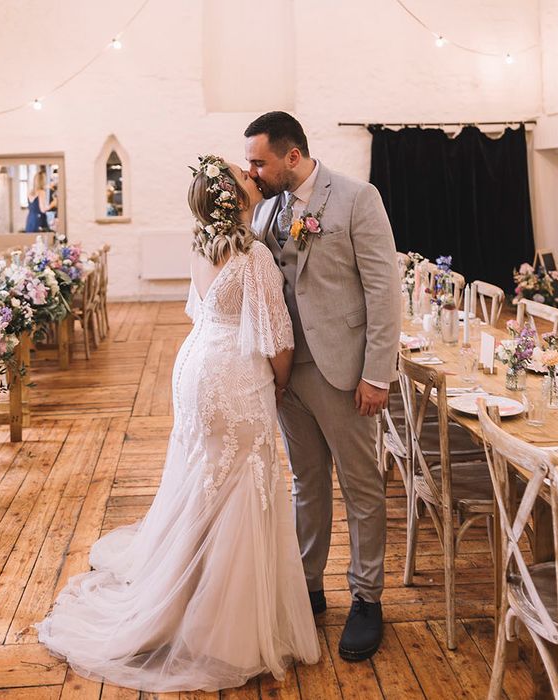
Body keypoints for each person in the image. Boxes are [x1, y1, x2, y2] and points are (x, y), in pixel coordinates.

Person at [36, 155, 320, 692]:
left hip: (195, 366)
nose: (250, 176)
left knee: (204, 480)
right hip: (234, 375)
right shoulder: (254, 254)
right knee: (241, 486)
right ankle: (221, 627)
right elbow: (277, 336)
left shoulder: (201, 245)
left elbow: (202, 310)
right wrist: (281, 380)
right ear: (235, 199)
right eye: (242, 176)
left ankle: (188, 591)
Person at [245, 111, 401, 661]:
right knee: (305, 483)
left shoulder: (359, 198)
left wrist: (376, 373)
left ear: (292, 156)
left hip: (345, 371)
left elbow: (384, 290)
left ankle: (367, 597)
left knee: (361, 487)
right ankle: (309, 586)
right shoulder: (267, 210)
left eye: (259, 161)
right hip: (288, 373)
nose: (253, 171)